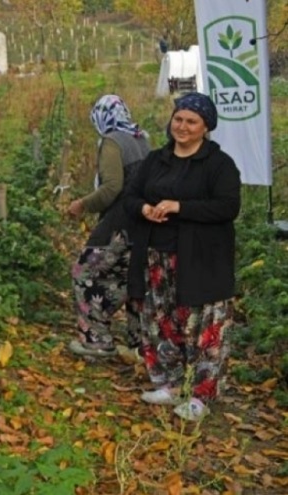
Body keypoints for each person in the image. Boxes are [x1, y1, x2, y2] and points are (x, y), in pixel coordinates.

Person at [122, 92, 241, 421]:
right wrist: (144, 207)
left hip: (201, 258)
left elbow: (228, 207)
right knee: (163, 321)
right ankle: (171, 383)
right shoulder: (157, 160)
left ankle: (202, 393)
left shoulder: (219, 165)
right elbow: (130, 195)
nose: (183, 126)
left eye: (192, 121)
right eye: (178, 119)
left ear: (206, 127)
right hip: (157, 257)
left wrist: (180, 207)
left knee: (204, 326)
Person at [67, 95, 150, 358]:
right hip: (145, 222)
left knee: (84, 271)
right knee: (132, 278)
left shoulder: (112, 141)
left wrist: (82, 204)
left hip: (120, 222)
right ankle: (142, 346)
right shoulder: (142, 139)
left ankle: (97, 339)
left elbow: (112, 187)